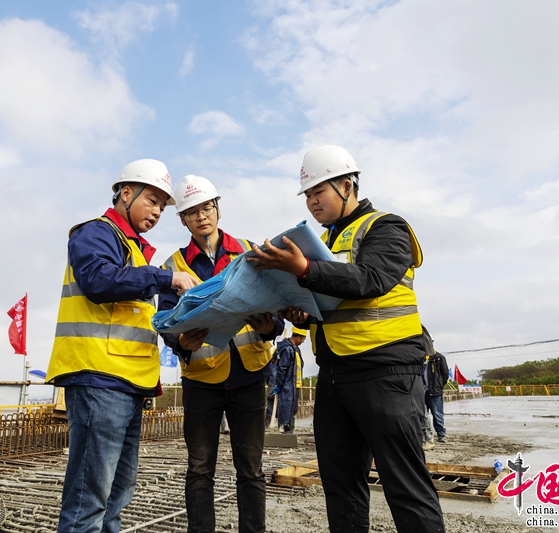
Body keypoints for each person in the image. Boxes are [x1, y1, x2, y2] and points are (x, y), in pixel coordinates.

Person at [246, 145, 445, 533]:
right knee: (341, 488)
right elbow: (332, 305)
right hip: (336, 377)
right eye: (307, 195)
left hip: (386, 373)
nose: (312, 201)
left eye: (318, 191)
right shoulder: (319, 240)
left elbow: (372, 279)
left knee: (406, 485)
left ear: (346, 185)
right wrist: (301, 312)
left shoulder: (385, 227)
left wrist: (305, 269)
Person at [46, 159, 199, 533]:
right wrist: (166, 278)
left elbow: (135, 318)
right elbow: (98, 281)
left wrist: (181, 333)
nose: (157, 211)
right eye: (152, 200)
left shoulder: (135, 252)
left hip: (127, 383)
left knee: (116, 494)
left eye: (162, 206)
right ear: (125, 193)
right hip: (99, 378)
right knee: (89, 499)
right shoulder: (96, 233)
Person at [158, 174, 283, 533]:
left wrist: (270, 327)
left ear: (218, 208)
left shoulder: (249, 251)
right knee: (200, 469)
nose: (201, 216)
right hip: (202, 380)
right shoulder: (173, 266)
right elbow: (165, 322)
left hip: (249, 376)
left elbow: (277, 305)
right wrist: (180, 343)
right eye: (192, 212)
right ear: (182, 220)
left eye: (207, 208)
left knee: (251, 470)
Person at [272, 327, 307, 433]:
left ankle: (289, 431)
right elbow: (282, 368)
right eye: (303, 339)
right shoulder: (287, 349)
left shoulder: (295, 349)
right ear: (298, 336)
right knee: (286, 408)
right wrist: (279, 384)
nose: (303, 341)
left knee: (292, 409)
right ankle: (284, 431)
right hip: (288, 385)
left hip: (295, 385)